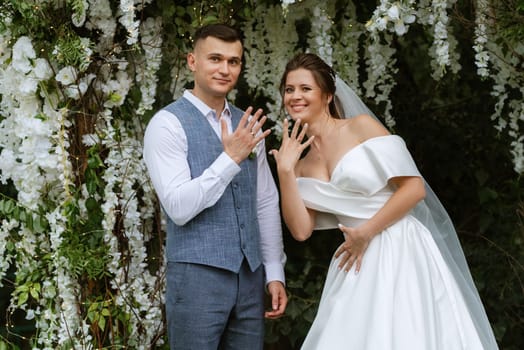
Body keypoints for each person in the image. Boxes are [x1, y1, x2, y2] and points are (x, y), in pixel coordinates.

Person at [270, 53, 498, 349]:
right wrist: (286, 172)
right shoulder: (299, 163)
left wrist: (366, 232)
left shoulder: (360, 128)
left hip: (399, 244)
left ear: (327, 96)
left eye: (305, 88)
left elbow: (414, 189)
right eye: (289, 90)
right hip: (355, 258)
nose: (295, 96)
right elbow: (301, 231)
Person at [143, 23, 287, 349]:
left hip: (250, 278)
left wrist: (274, 270)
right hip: (196, 280)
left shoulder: (247, 125)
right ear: (192, 61)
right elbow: (179, 208)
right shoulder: (167, 125)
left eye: (233, 61)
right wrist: (229, 159)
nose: (225, 69)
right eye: (215, 59)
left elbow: (264, 200)